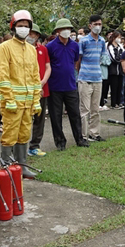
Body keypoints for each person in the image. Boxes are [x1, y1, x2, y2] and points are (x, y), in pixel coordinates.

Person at [0, 10, 41, 178]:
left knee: (24, 133)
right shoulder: (5, 48)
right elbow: (3, 75)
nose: (23, 29)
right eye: (20, 26)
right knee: (9, 133)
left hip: (28, 102)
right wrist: (9, 98)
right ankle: (6, 166)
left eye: (26, 26)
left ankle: (22, 166)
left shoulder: (31, 49)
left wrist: (36, 100)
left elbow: (35, 76)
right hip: (12, 102)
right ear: (13, 27)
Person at [46, 19, 88, 150]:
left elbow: (76, 62)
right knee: (56, 116)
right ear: (58, 31)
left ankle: (79, 139)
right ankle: (60, 142)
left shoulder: (75, 46)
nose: (67, 31)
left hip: (70, 85)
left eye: (69, 29)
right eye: (63, 29)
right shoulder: (50, 46)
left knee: (75, 114)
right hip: (54, 86)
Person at [77, 15, 108, 142]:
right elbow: (78, 60)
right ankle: (83, 136)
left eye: (100, 24)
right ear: (90, 26)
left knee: (96, 109)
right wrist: (81, 74)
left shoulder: (102, 41)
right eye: (95, 24)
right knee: (85, 110)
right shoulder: (83, 41)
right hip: (85, 79)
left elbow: (102, 58)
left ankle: (94, 133)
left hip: (98, 79)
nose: (98, 26)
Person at [27, 23, 51, 157]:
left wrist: (42, 83)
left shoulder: (43, 49)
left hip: (42, 88)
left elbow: (48, 67)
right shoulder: (21, 50)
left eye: (33, 34)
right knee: (22, 119)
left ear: (37, 36)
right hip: (25, 90)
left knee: (39, 119)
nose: (31, 36)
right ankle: (17, 148)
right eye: (29, 33)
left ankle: (34, 146)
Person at [106, 31, 123, 109]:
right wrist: (119, 60)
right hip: (113, 70)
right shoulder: (109, 46)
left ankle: (118, 102)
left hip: (120, 70)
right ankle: (113, 104)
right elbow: (112, 57)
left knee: (119, 87)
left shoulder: (120, 46)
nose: (119, 39)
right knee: (114, 87)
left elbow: (123, 55)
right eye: (118, 37)